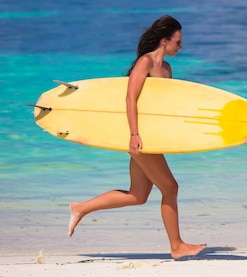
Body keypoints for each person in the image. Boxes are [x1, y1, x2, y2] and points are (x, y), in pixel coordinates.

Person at [68, 15, 206, 260]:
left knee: (138, 195)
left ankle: (81, 208)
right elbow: (130, 98)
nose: (180, 47)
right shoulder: (145, 62)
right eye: (178, 42)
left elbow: (162, 107)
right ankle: (177, 246)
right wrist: (134, 134)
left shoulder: (166, 69)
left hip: (153, 137)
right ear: (164, 41)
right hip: (141, 138)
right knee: (170, 188)